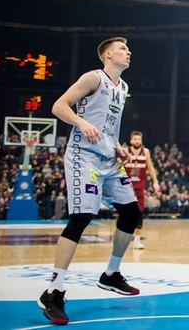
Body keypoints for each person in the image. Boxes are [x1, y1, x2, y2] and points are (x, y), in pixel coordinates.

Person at [38, 37, 141, 325]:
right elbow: (59, 106)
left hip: (109, 158)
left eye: (128, 49)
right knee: (81, 217)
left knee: (131, 212)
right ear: (108, 55)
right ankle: (53, 291)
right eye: (122, 49)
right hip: (83, 156)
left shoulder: (123, 87)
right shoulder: (93, 78)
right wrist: (81, 123)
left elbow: (110, 126)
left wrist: (117, 145)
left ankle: (111, 274)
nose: (128, 52)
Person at [125, 130, 160, 250]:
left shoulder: (145, 152)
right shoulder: (125, 151)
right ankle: (120, 240)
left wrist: (155, 182)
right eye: (135, 139)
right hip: (126, 188)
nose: (137, 141)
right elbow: (118, 166)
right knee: (125, 214)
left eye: (139, 139)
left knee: (139, 214)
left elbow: (150, 167)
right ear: (131, 141)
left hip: (139, 188)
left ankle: (137, 241)